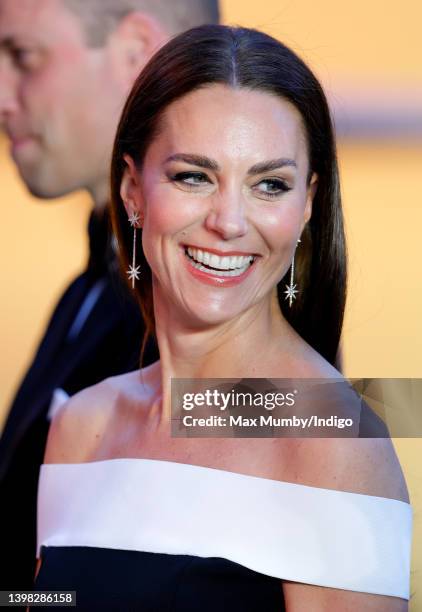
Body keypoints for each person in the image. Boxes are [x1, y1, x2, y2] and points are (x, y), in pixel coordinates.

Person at [33, 25, 412, 611]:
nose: (229, 222)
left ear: (307, 204)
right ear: (133, 190)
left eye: (269, 184)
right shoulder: (81, 428)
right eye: (194, 176)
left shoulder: (334, 444)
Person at [0, 0, 220, 593]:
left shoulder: (211, 312)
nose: (2, 92)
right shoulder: (95, 288)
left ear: (133, 53)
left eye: (22, 56)